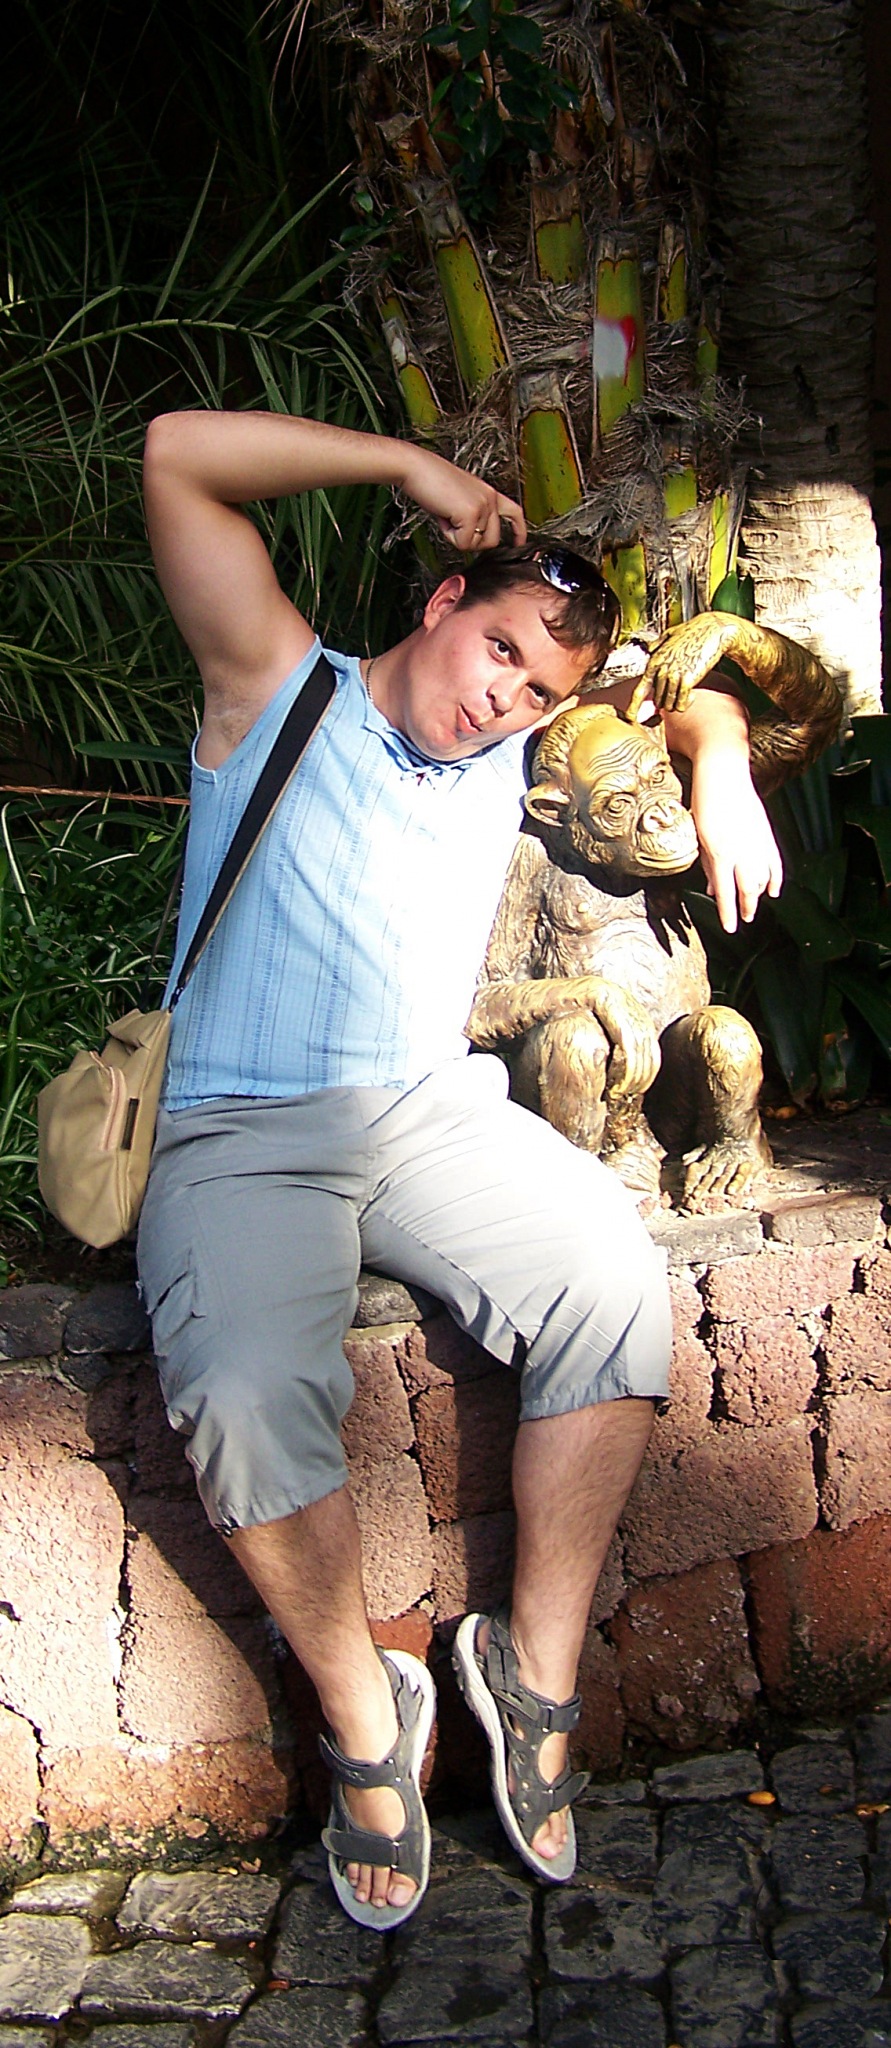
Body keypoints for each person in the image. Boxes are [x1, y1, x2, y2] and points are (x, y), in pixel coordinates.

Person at [138, 408, 783, 1928]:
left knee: (614, 1287)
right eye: (497, 654)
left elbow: (684, 683)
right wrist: (408, 469)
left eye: (537, 691)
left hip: (430, 1116)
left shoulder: (512, 747)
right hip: (242, 1129)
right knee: (243, 1392)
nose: (504, 701)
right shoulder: (274, 687)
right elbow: (175, 456)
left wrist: (723, 761)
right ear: (442, 602)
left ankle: (528, 1670)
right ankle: (367, 1713)